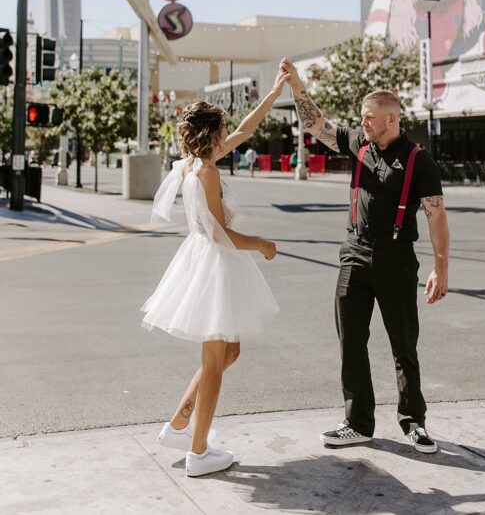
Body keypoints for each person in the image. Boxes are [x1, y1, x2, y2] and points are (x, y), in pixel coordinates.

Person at [281, 58, 450, 454]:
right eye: (361, 118)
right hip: (354, 253)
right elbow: (316, 125)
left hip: (396, 258)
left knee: (403, 345)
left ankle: (414, 423)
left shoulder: (417, 161)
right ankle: (358, 422)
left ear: (391, 119)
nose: (363, 123)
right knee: (350, 340)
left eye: (369, 117)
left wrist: (441, 269)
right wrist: (297, 86)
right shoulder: (359, 143)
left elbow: (437, 216)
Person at [141, 72, 287, 477]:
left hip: (206, 261)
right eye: (222, 129)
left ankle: (179, 424)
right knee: (214, 359)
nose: (228, 133)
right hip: (215, 264)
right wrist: (261, 243)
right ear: (210, 135)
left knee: (228, 353)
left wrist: (274, 93)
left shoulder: (194, 164)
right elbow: (221, 235)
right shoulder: (205, 173)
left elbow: (245, 128)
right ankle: (199, 451)